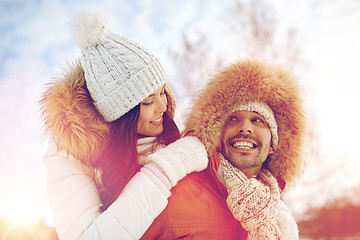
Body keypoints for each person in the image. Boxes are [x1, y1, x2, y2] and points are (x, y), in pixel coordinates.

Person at [40, 10, 208, 240]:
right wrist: (166, 168)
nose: (162, 106)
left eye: (162, 92)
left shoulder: (159, 132)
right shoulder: (68, 155)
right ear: (119, 114)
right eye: (147, 101)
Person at [141, 59, 307, 239]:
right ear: (218, 134)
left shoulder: (282, 223)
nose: (245, 128)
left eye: (257, 120)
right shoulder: (176, 193)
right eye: (233, 119)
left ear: (273, 146)